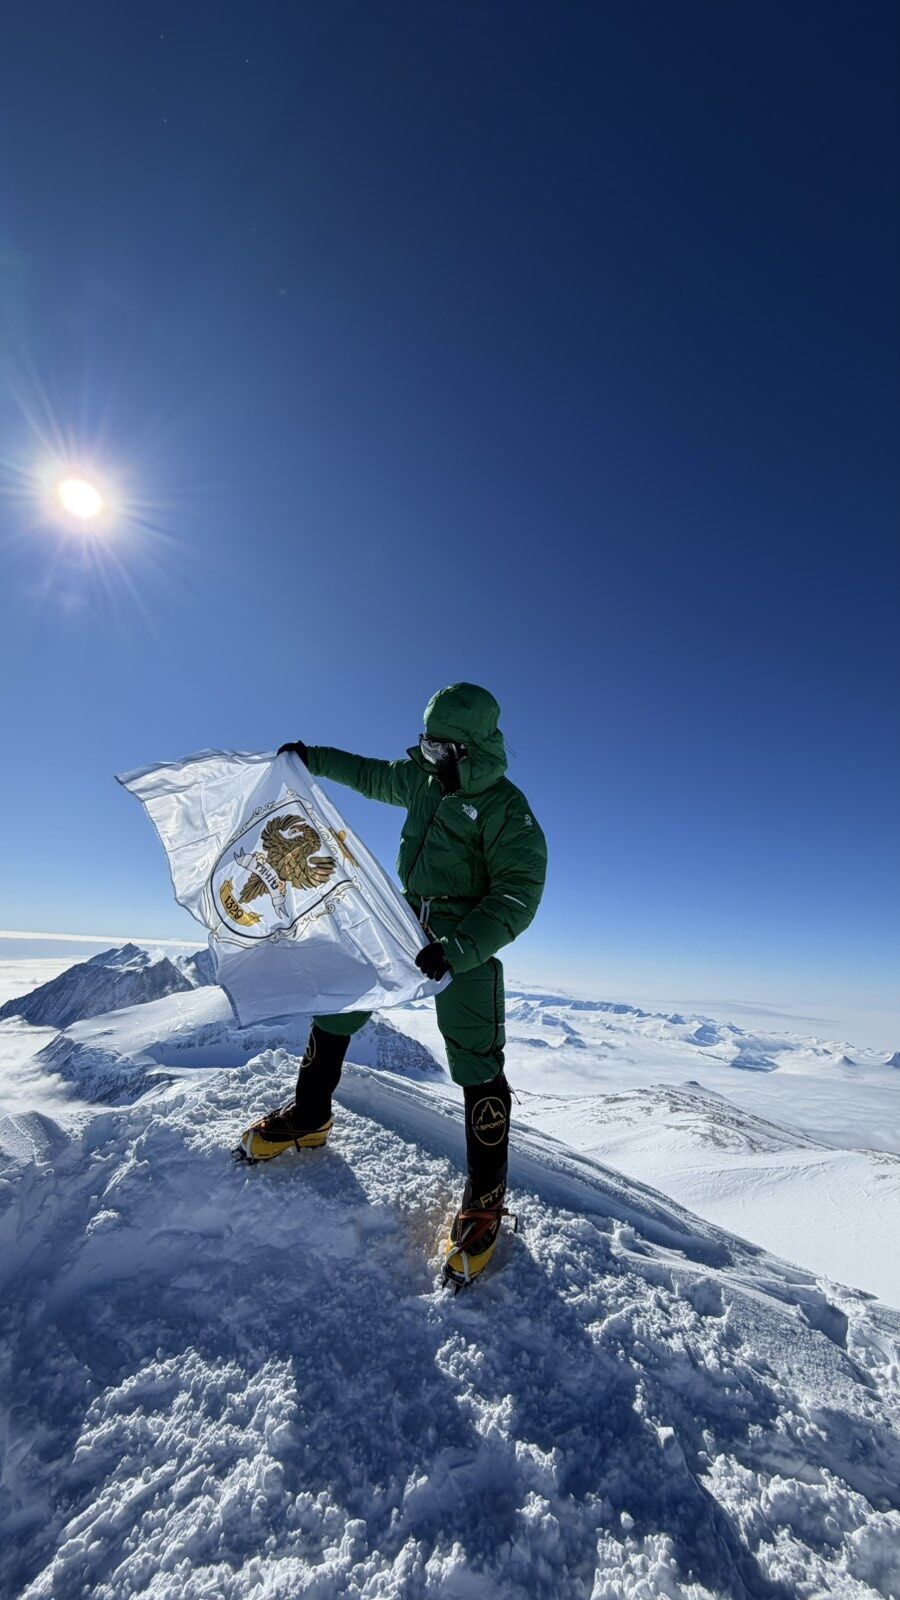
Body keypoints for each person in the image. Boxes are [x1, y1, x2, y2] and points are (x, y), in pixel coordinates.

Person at [239, 682, 547, 1285]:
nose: (427, 758)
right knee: (338, 1000)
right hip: (404, 920)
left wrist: (459, 949)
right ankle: (309, 1116)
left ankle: (485, 1197)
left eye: (440, 748)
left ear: (471, 749)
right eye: (426, 744)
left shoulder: (508, 809)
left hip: (463, 940)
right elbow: (374, 775)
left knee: (476, 1058)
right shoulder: (425, 783)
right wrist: (314, 761)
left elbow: (517, 893)